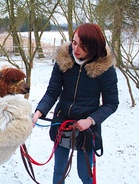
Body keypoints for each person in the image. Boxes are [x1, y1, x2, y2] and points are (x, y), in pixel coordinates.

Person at [32, 23, 119, 184]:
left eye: (82, 45)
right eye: (74, 42)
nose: (76, 49)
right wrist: (38, 113)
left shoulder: (105, 68)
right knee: (59, 171)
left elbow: (111, 103)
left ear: (93, 47)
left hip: (87, 130)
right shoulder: (63, 60)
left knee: (84, 174)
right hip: (62, 123)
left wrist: (90, 120)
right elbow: (52, 91)